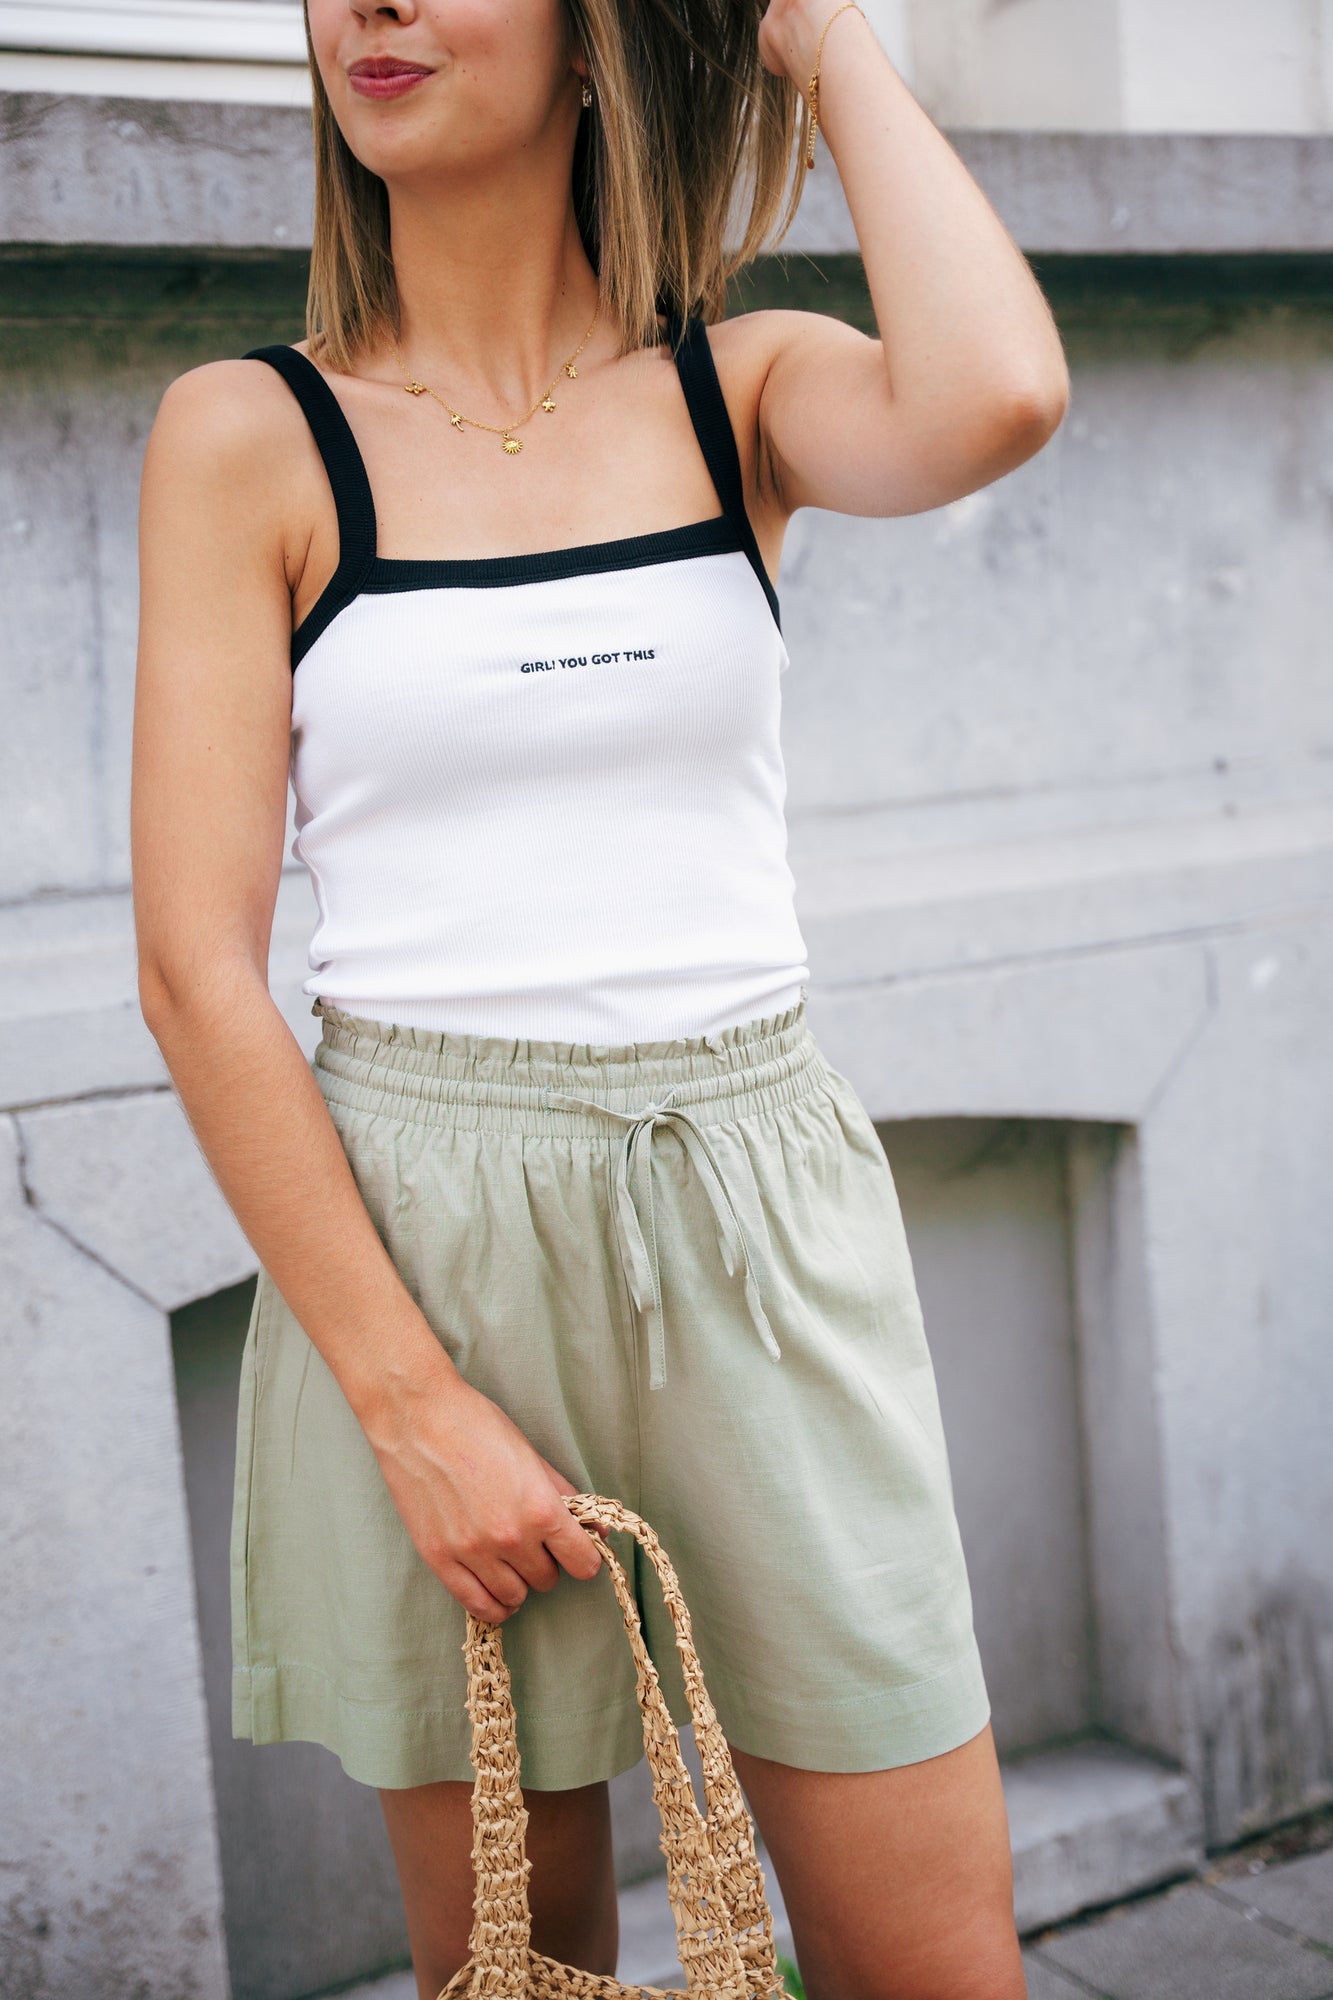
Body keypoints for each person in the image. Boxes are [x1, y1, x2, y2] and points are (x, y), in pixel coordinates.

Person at [131, 0, 1067, 1991]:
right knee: (518, 1966)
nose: (372, 3)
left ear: (592, 34)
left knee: (934, 1958)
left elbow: (994, 392)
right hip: (427, 1240)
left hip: (755, 1218)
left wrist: (820, 38)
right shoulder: (248, 435)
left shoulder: (744, 390)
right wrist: (409, 1405)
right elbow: (196, 968)